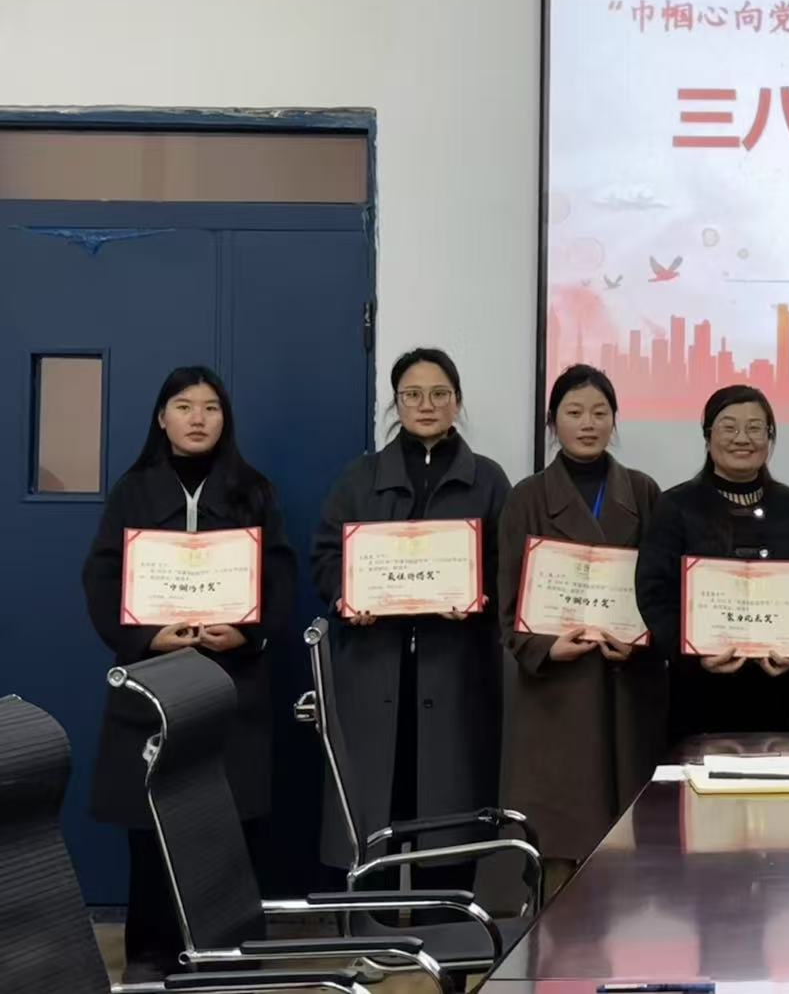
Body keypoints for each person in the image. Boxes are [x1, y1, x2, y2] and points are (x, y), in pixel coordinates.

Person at [81, 367, 296, 979]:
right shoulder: (133, 491)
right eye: (183, 406)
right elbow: (101, 577)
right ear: (162, 418)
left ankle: (229, 955)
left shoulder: (254, 490)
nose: (198, 418)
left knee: (232, 825)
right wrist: (147, 637)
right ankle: (149, 953)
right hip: (152, 681)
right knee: (149, 825)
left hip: (234, 682)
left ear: (225, 419)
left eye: (211, 407)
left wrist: (248, 632)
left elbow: (280, 578)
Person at [310, 347, 510, 876]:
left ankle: (445, 920)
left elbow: (506, 564)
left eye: (440, 394)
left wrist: (480, 597)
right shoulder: (360, 477)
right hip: (374, 669)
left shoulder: (488, 480)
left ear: (457, 402)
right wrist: (347, 597)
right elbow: (326, 556)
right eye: (413, 394)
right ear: (396, 403)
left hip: (456, 670)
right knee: (373, 813)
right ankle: (371, 924)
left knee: (449, 819)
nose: (426, 405)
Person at [497, 365, 665, 888]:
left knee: (629, 836)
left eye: (599, 412)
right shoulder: (527, 497)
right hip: (555, 693)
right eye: (574, 412)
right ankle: (552, 931)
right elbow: (508, 598)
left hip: (626, 684)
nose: (588, 423)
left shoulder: (643, 492)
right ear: (553, 422)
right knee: (559, 834)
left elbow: (661, 592)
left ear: (614, 420)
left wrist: (640, 642)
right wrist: (546, 647)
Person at [635, 385, 789, 741]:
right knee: (697, 774)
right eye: (729, 427)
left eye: (755, 428)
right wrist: (691, 655)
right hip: (697, 689)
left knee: (771, 772)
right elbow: (654, 591)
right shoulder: (676, 506)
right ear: (708, 436)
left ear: (769, 437)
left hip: (773, 686)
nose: (742, 438)